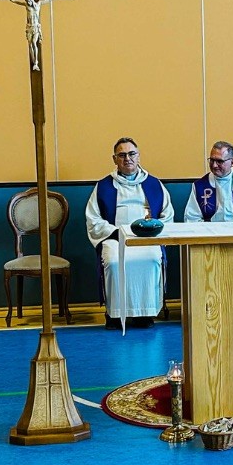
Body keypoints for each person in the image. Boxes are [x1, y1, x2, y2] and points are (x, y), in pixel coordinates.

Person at [84, 137, 175, 329]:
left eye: (132, 154)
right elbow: (93, 219)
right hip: (116, 237)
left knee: (152, 259)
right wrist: (115, 232)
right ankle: (115, 314)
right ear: (114, 159)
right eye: (122, 155)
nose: (127, 159)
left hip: (147, 238)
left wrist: (154, 229)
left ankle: (145, 313)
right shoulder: (104, 186)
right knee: (113, 261)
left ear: (138, 156)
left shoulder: (154, 184)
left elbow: (167, 215)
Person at [183, 141, 233, 222]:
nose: (214, 165)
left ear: (232, 162)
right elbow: (192, 217)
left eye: (219, 161)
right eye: (212, 160)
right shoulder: (199, 186)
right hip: (210, 228)